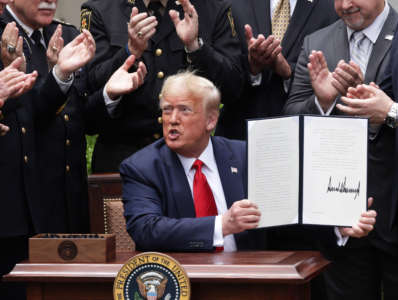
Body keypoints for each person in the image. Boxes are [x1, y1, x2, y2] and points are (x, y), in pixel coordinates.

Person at [120, 71, 376, 252]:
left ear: (211, 120)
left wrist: (338, 226)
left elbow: (284, 220)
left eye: (184, 110)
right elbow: (147, 230)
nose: (172, 119)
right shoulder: (142, 167)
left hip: (249, 279)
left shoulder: (247, 156)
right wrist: (223, 224)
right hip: (181, 283)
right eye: (167, 110)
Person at [284, 0, 398, 299]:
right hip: (338, 216)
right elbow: (290, 118)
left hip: (394, 210)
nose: (345, 5)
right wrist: (323, 102)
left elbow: (388, 110)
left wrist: (390, 111)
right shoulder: (317, 41)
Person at [0, 0, 147, 233]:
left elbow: (83, 119)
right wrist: (58, 75)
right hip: (19, 206)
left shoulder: (67, 34)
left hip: (69, 200)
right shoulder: (3, 36)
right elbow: (28, 118)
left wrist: (108, 94)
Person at [81, 0, 243, 172]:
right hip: (123, 162)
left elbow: (233, 87)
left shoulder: (212, 7)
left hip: (190, 162)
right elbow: (91, 89)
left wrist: (196, 48)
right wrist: (129, 52)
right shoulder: (101, 9)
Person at [215, 0, 338, 140]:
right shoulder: (231, 4)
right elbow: (222, 71)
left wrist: (288, 72)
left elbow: (332, 71)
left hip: (304, 137)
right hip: (240, 137)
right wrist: (252, 67)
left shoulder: (333, 6)